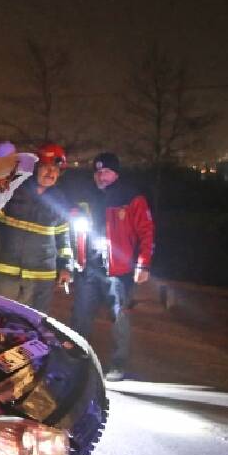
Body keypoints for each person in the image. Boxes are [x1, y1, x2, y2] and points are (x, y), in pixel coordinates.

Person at [69, 152, 155, 381]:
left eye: (106, 171)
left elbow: (146, 232)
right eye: (97, 171)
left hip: (119, 271)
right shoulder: (86, 196)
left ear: (116, 172)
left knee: (119, 318)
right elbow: (71, 227)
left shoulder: (131, 197)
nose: (101, 176)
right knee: (80, 316)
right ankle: (77, 360)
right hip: (88, 267)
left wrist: (143, 264)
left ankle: (118, 364)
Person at [0, 142, 71, 313]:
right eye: (46, 167)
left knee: (33, 325)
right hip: (5, 273)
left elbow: (64, 237)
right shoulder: (12, 190)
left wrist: (66, 266)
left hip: (42, 278)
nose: (51, 173)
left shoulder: (61, 201)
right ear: (35, 168)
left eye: (55, 169)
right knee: (1, 320)